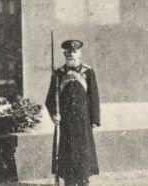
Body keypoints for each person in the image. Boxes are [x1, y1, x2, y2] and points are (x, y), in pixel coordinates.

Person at [45, 39, 100, 186]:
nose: (71, 55)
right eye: (68, 52)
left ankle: (83, 180)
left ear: (80, 54)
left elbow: (94, 96)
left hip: (83, 120)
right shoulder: (58, 74)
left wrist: (95, 119)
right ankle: (69, 181)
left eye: (74, 52)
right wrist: (54, 114)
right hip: (66, 121)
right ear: (65, 54)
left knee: (83, 152)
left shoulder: (88, 72)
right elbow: (50, 98)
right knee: (67, 152)